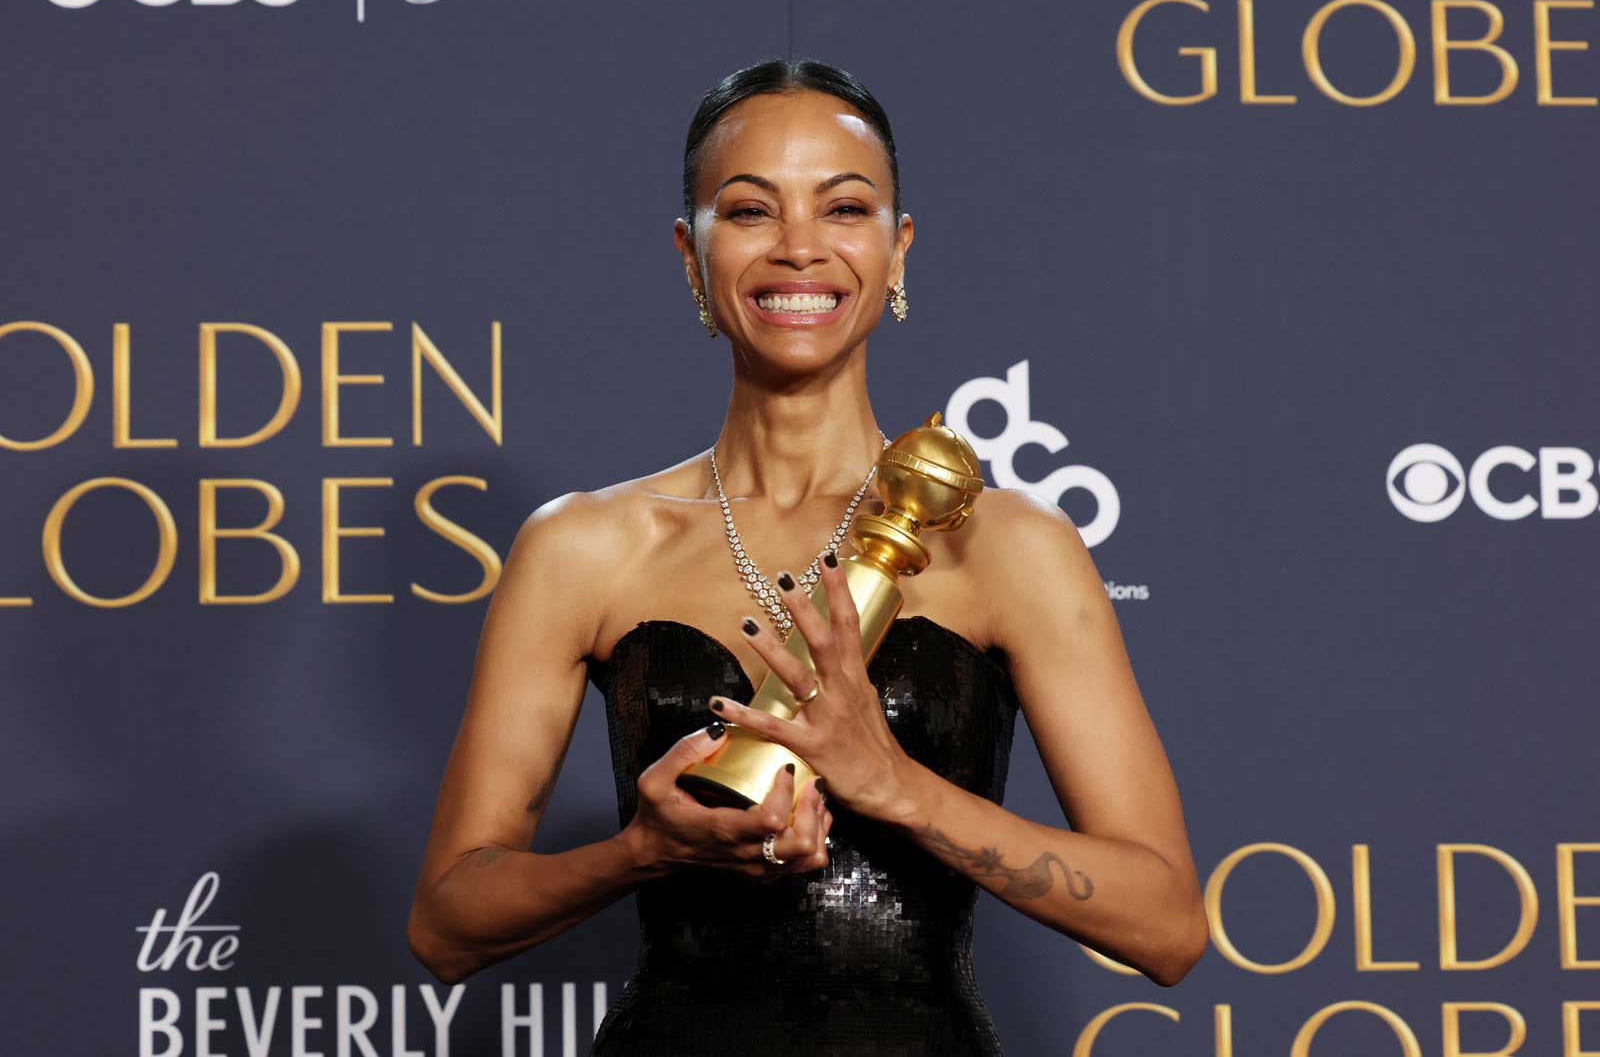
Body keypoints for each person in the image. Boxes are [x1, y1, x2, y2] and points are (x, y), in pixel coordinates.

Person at [405, 57, 1208, 1054]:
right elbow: (444, 924)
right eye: (747, 212)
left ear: (897, 248)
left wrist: (897, 784)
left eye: (844, 209)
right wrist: (640, 851)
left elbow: (1167, 924)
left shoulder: (1010, 547)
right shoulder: (584, 545)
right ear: (688, 255)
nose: (798, 249)